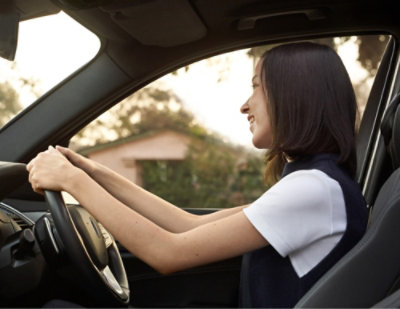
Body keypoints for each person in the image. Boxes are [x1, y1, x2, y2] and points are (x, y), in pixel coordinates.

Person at [27, 42, 368, 308]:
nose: (245, 105)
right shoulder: (314, 183)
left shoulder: (313, 189)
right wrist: (94, 171)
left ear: (295, 96)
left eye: (256, 88)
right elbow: (187, 225)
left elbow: (168, 252)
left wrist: (72, 182)